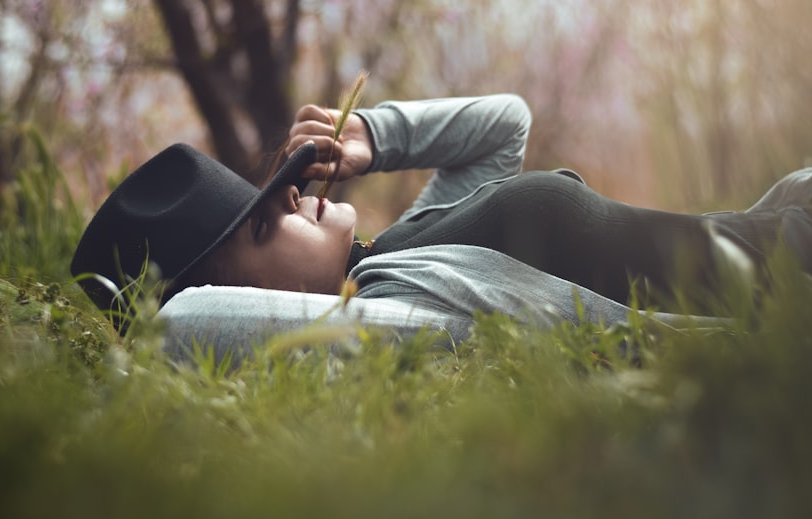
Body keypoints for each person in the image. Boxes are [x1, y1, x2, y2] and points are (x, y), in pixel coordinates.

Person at [70, 95, 812, 360]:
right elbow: (182, 323)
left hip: (779, 220)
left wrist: (374, 136)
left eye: (280, 196)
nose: (297, 200)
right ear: (260, 304)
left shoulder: (402, 242)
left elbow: (504, 125)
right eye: (266, 228)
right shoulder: (404, 307)